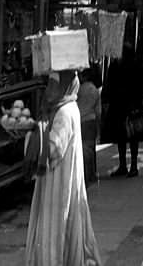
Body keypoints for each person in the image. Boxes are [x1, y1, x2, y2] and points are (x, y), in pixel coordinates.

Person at [25, 70, 102, 266]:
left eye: (53, 85)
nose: (49, 91)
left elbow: (53, 149)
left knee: (56, 231)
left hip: (58, 185)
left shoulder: (64, 113)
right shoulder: (67, 108)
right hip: (61, 182)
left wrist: (31, 138)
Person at [102, 43, 143, 177]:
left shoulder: (117, 65)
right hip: (128, 106)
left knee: (123, 137)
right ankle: (131, 166)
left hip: (121, 106)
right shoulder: (136, 65)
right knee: (130, 137)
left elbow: (109, 85)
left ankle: (125, 165)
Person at [76, 66, 101, 185]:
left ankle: (84, 176)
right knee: (90, 149)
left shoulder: (78, 89)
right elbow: (98, 111)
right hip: (91, 120)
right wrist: (99, 126)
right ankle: (91, 174)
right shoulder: (95, 90)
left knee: (82, 150)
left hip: (80, 120)